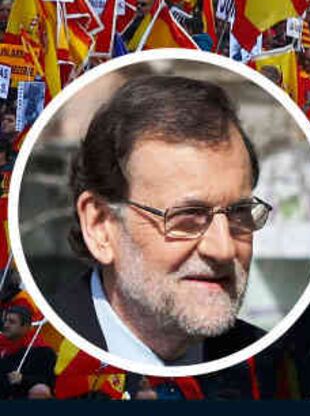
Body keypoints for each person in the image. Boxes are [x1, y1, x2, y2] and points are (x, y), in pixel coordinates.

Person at [54, 75, 271, 366]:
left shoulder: (273, 364)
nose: (224, 249)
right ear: (101, 226)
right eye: (188, 216)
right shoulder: (33, 353)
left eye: (239, 212)